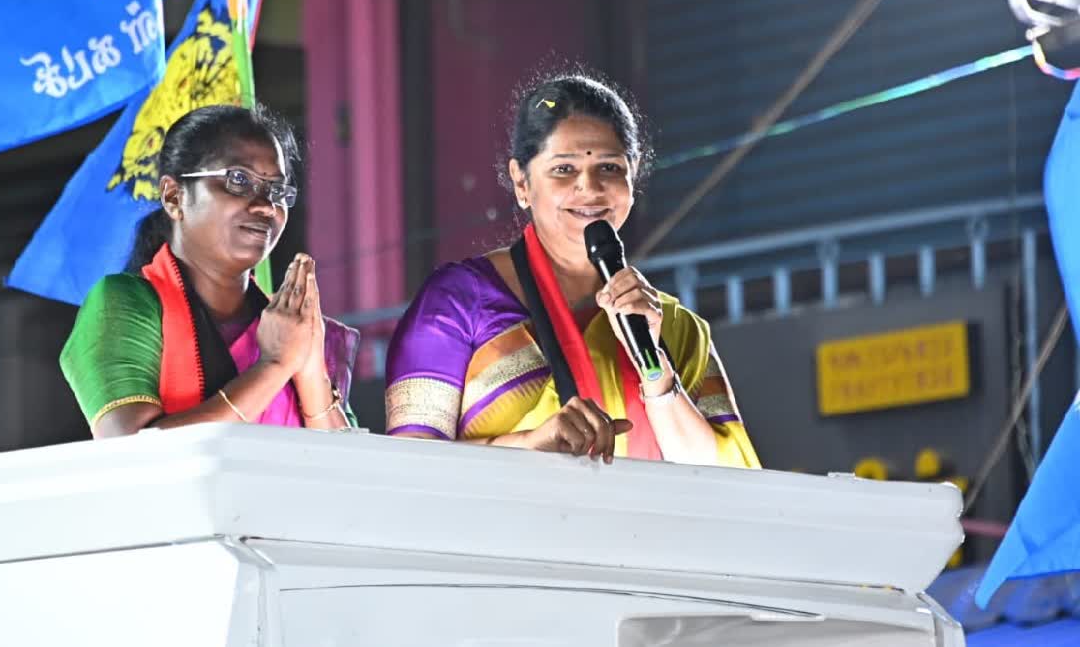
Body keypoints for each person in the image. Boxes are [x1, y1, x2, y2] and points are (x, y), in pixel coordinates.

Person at [384, 73, 759, 467]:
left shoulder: (677, 328)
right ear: (521, 182)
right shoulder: (458, 301)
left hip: (639, 529)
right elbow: (409, 470)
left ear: (633, 176)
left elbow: (732, 483)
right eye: (564, 169)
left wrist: (658, 374)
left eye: (610, 168)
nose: (590, 189)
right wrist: (531, 445)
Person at [61, 104, 359, 438]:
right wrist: (273, 366)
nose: (264, 205)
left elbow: (350, 472)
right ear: (174, 196)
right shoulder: (123, 304)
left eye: (276, 190)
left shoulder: (292, 326)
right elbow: (133, 451)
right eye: (238, 180)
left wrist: (307, 366)